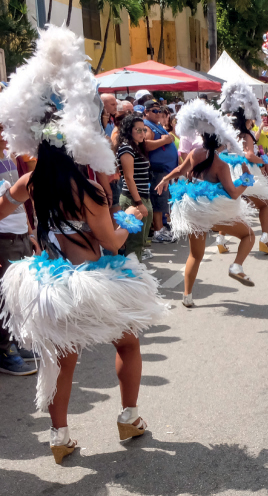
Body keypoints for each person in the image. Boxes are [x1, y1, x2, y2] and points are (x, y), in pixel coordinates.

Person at [0, 25, 166, 464]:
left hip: (47, 281)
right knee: (127, 343)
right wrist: (131, 217)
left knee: (62, 360)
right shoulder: (89, 192)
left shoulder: (30, 182)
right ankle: (129, 418)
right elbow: (111, 240)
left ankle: (59, 438)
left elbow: (1, 209)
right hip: (91, 282)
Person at [155, 99, 257, 308]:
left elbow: (179, 171)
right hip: (212, 211)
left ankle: (187, 296)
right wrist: (246, 181)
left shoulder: (195, 153)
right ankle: (236, 266)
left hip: (193, 208)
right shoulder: (221, 164)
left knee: (195, 254)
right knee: (248, 235)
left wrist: (165, 180)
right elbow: (234, 193)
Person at [217, 78, 268, 255]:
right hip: (245, 173)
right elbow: (249, 155)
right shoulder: (246, 135)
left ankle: (221, 240)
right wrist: (264, 160)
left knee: (232, 205)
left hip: (230, 172)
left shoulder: (231, 135)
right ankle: (265, 239)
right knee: (264, 205)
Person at [0, 124, 39, 376]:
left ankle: (13, 342)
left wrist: (31, 231)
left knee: (16, 296)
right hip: (3, 239)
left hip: (20, 235)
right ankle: (4, 351)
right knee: (3, 298)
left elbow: (21, 201)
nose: (7, 133)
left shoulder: (9, 158)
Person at [117, 114, 153, 261]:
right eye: (138, 130)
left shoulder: (136, 147)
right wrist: (138, 203)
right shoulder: (126, 148)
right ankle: (132, 276)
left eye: (143, 130)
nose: (142, 133)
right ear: (128, 131)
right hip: (133, 199)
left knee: (140, 241)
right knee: (134, 242)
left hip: (142, 197)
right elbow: (128, 178)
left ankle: (135, 272)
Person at [142, 99, 178, 247]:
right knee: (158, 200)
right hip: (157, 170)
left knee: (162, 201)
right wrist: (164, 141)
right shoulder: (146, 126)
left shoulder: (156, 126)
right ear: (146, 112)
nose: (158, 114)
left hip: (164, 170)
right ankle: (158, 231)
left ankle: (161, 228)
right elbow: (145, 144)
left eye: (159, 111)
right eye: (154, 111)